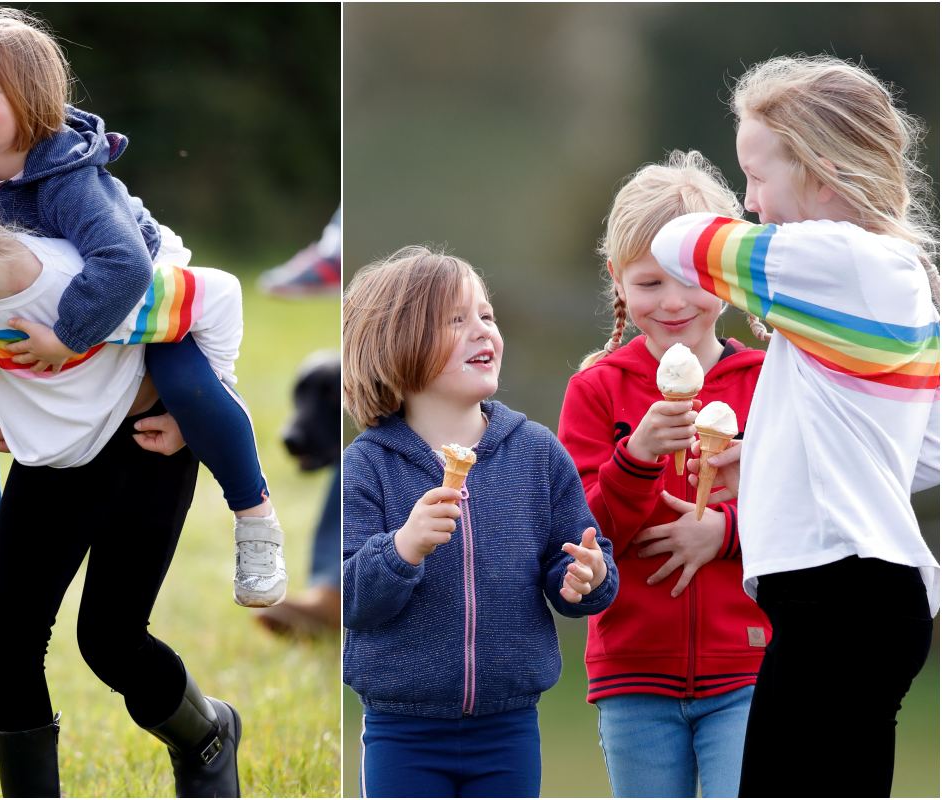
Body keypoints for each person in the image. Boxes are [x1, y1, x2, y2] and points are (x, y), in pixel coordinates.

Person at [0, 7, 286, 636]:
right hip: (34, 306)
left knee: (191, 388)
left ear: (30, 99)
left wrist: (66, 339)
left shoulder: (63, 173)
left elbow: (120, 262)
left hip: (136, 296)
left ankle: (254, 516)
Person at [0, 131, 244, 798]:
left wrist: (192, 409)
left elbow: (205, 312)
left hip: (145, 447)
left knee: (111, 641)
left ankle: (207, 736)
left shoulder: (75, 277)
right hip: (54, 465)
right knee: (9, 644)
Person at [650, 55, 940, 797]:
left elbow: (676, 243)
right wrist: (777, 459)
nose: (750, 200)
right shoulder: (897, 274)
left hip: (836, 600)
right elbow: (924, 453)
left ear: (820, 167)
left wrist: (698, 206)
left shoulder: (833, 258)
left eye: (756, 173)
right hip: (869, 598)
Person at [342, 246, 619, 798]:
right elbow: (351, 597)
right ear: (399, 342)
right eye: (457, 319)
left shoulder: (536, 453)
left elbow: (585, 569)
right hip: (404, 730)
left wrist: (586, 578)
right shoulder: (368, 464)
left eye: (487, 316)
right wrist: (402, 550)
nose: (482, 331)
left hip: (509, 727)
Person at [557, 151, 771, 798]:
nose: (674, 302)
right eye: (649, 284)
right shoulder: (596, 390)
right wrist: (635, 458)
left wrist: (723, 533)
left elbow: (804, 507)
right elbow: (585, 531)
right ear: (617, 281)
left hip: (750, 663)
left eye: (693, 280)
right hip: (632, 671)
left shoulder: (768, 380)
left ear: (728, 278)